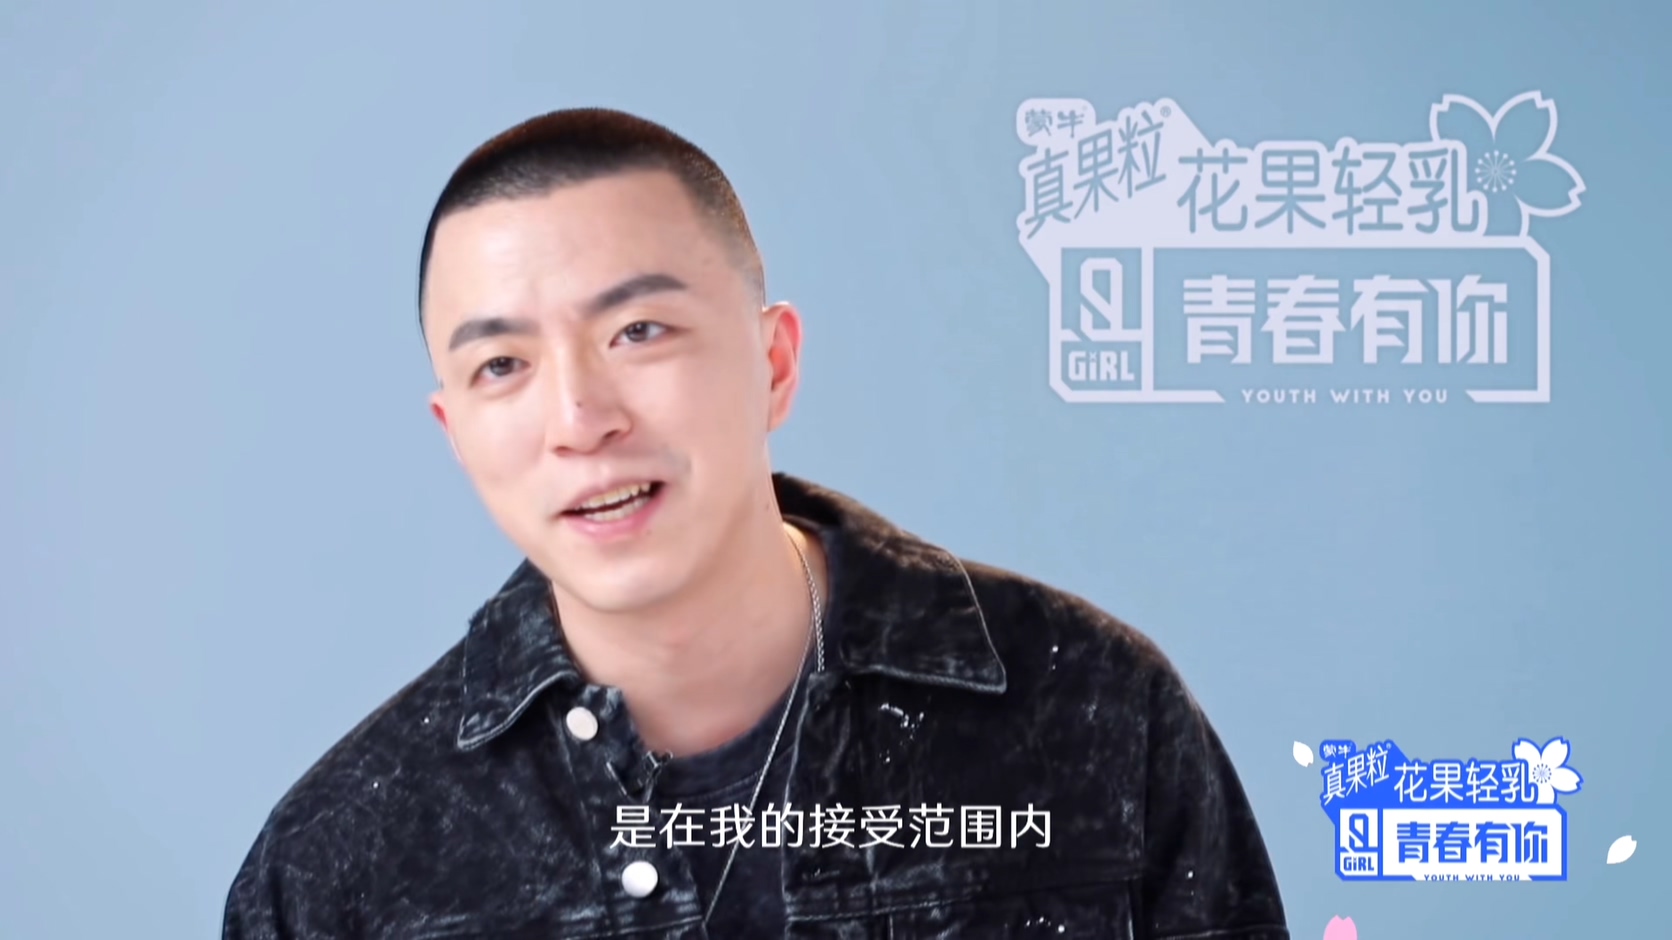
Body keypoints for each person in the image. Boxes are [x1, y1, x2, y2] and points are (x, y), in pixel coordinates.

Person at [222, 107, 1290, 939]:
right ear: (455, 430)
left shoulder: (1093, 708)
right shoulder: (335, 868)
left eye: (639, 330)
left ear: (773, 363)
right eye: (502, 365)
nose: (580, 420)